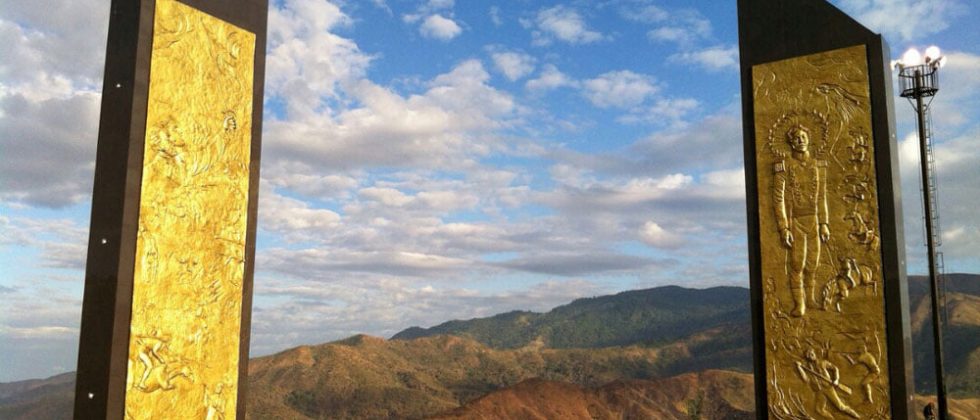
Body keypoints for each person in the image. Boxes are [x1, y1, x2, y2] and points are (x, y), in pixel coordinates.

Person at [774, 124, 830, 317]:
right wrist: (784, 228)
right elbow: (778, 199)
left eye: (803, 137)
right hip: (795, 220)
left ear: (809, 138)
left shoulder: (818, 166)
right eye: (796, 138)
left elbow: (822, 196)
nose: (801, 141)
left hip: (813, 220)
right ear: (791, 142)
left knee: (812, 263)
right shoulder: (784, 167)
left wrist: (824, 223)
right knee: (797, 264)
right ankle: (799, 305)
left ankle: (811, 299)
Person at [796, 348, 859, 419]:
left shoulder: (823, 363)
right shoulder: (807, 368)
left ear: (814, 354)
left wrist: (836, 380)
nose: (810, 356)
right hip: (819, 391)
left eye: (811, 354)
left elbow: (835, 368)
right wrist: (799, 368)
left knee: (840, 407)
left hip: (827, 388)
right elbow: (805, 379)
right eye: (808, 355)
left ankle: (857, 416)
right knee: (819, 409)